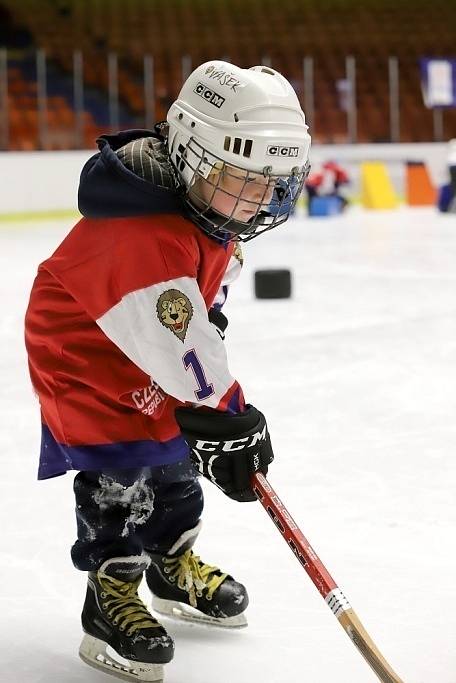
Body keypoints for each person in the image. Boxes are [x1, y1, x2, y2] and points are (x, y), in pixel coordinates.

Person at [24, 60, 311, 682]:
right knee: (119, 473)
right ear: (193, 154)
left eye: (272, 182)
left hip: (150, 339)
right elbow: (184, 353)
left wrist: (211, 319)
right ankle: (113, 588)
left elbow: (208, 292)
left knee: (177, 465)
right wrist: (231, 419)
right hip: (88, 362)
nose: (260, 198)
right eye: (245, 179)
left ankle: (170, 565)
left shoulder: (209, 208)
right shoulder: (139, 235)